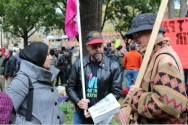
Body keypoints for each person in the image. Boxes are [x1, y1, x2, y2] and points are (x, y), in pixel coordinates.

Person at [121, 13, 187, 124]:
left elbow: (169, 105)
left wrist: (135, 97)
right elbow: (138, 87)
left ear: (153, 32)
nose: (134, 39)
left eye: (138, 34)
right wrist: (126, 105)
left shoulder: (165, 59)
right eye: (133, 36)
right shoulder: (152, 57)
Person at [66, 31, 122, 124]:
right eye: (94, 46)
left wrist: (97, 111)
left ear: (103, 45)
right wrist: (78, 101)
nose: (98, 49)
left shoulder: (113, 66)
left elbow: (116, 92)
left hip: (101, 117)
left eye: (100, 45)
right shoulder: (79, 64)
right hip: (81, 116)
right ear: (88, 47)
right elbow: (70, 87)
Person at [6, 42, 64, 124]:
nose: (51, 57)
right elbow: (7, 113)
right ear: (37, 56)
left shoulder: (47, 76)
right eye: (47, 54)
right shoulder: (22, 80)